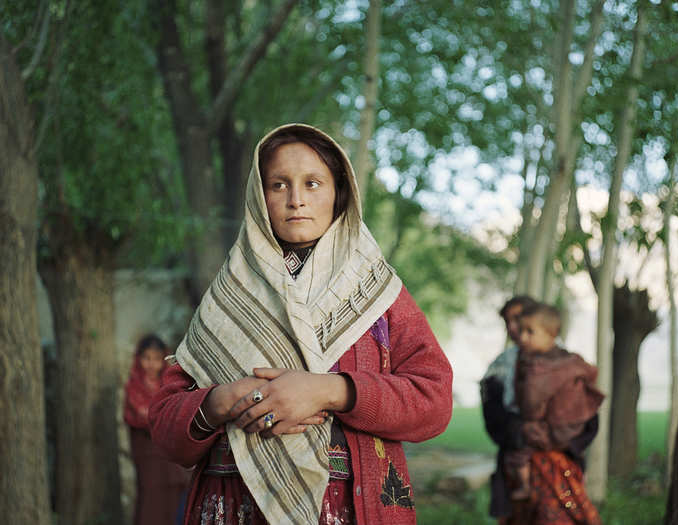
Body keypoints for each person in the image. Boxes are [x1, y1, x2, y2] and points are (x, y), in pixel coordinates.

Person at [148, 123, 453, 525]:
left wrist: (333, 390)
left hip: (349, 509)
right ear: (259, 197)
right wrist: (220, 401)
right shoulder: (229, 297)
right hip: (234, 508)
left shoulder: (378, 294)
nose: (296, 200)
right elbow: (166, 427)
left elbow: (433, 400)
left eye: (313, 184)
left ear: (339, 193)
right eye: (278, 185)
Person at [481, 299, 602, 524]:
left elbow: (587, 417)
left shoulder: (565, 364)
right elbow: (493, 417)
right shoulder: (500, 366)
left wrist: (557, 438)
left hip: (559, 460)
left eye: (519, 320)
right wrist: (521, 432)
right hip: (517, 460)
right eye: (508, 321)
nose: (513, 327)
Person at [124, 334, 190, 525]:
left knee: (174, 492)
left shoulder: (169, 385)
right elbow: (143, 415)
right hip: (147, 452)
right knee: (151, 497)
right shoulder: (134, 386)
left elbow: (179, 410)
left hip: (169, 450)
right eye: (146, 358)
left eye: (156, 359)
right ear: (138, 359)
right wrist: (167, 415)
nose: (151, 364)